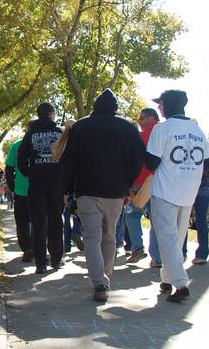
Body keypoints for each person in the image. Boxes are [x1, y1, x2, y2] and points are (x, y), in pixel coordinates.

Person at [61, 89, 145, 301]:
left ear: (95, 107)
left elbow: (68, 161)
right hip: (116, 193)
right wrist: (128, 184)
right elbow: (138, 159)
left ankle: (99, 281)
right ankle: (104, 277)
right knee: (109, 237)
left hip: (87, 191)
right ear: (115, 107)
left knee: (91, 238)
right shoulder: (128, 127)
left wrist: (66, 189)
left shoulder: (81, 127)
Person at [146, 89, 209, 302]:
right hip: (188, 192)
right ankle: (167, 280)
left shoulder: (162, 129)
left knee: (168, 239)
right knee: (176, 238)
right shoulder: (197, 129)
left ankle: (181, 286)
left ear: (170, 104)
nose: (159, 107)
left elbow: (151, 163)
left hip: (165, 191)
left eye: (161, 103)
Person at [18, 103, 64, 274]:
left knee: (38, 222)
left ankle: (41, 262)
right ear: (52, 114)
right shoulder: (60, 132)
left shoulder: (30, 134)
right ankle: (57, 257)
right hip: (56, 183)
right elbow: (69, 156)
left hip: (37, 184)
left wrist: (30, 173)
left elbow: (21, 158)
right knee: (55, 220)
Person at [125, 107, 160, 264]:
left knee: (132, 216)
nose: (140, 122)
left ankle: (138, 248)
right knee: (157, 221)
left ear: (151, 118)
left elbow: (132, 159)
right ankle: (157, 257)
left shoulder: (141, 136)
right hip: (161, 183)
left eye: (142, 118)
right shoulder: (165, 131)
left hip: (141, 183)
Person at [52, 119, 83, 253]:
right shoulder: (80, 143)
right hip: (77, 186)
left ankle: (66, 244)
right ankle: (76, 233)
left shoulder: (59, 144)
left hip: (61, 186)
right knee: (78, 214)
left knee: (64, 216)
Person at [5, 137, 33, 261]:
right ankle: (36, 248)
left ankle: (26, 248)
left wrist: (12, 187)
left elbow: (9, 168)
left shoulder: (17, 144)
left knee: (22, 222)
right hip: (40, 189)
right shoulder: (44, 140)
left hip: (21, 190)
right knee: (40, 220)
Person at [191, 158, 209, 264]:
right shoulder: (205, 147)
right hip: (204, 184)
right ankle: (202, 255)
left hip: (186, 184)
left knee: (182, 219)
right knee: (202, 221)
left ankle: (181, 253)